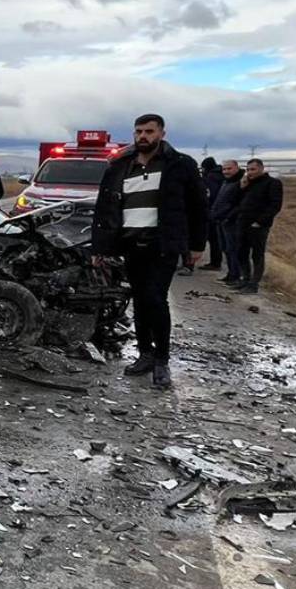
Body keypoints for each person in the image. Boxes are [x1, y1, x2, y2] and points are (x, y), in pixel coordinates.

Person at [90, 113, 207, 389]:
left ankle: (162, 361)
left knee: (156, 299)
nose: (144, 136)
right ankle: (145, 353)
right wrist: (100, 247)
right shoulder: (120, 166)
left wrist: (197, 245)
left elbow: (198, 207)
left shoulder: (180, 165)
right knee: (140, 301)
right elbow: (104, 209)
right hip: (131, 244)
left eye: (149, 131)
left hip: (162, 245)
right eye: (139, 131)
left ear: (161, 134)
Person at [233, 158, 284, 294]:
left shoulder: (273, 183)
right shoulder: (248, 184)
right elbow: (237, 201)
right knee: (241, 253)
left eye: (253, 169)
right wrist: (242, 187)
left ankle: (253, 284)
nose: (250, 172)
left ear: (261, 168)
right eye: (248, 169)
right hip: (242, 223)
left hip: (258, 226)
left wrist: (260, 222)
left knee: (257, 255)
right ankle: (245, 279)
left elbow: (275, 205)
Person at [210, 159, 244, 285]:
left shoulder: (241, 182)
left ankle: (237, 276)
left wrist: (228, 217)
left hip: (231, 222)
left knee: (233, 249)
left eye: (229, 169)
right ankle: (231, 274)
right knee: (226, 249)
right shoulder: (226, 182)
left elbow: (239, 204)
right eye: (224, 169)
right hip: (221, 220)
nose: (226, 171)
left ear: (236, 168)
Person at [199, 157, 225, 271]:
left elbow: (210, 194)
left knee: (213, 239)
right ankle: (217, 262)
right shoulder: (222, 175)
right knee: (217, 239)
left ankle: (215, 263)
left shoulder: (211, 177)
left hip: (213, 212)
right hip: (223, 211)